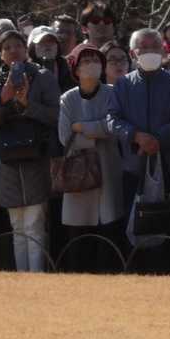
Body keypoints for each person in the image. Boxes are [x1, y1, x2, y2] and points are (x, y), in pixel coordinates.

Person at [0, 29, 59, 273]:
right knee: (17, 225)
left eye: (18, 45)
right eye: (7, 48)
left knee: (35, 222)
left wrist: (27, 105)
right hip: (8, 162)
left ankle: (37, 278)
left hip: (36, 158)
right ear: (0, 54)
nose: (13, 51)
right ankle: (23, 280)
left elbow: (56, 116)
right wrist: (3, 100)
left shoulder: (43, 77)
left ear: (26, 49)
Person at [108, 27, 170, 241]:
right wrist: (136, 136)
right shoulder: (123, 84)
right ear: (132, 53)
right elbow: (112, 119)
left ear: (163, 50)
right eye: (143, 47)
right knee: (135, 226)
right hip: (134, 167)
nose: (149, 51)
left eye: (155, 46)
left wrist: (158, 140)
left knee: (169, 228)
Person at [57, 42, 123, 266]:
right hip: (78, 174)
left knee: (108, 233)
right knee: (79, 238)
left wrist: (82, 127)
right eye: (85, 61)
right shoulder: (67, 99)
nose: (91, 65)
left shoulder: (113, 93)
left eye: (95, 60)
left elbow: (113, 127)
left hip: (107, 169)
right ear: (76, 69)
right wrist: (97, 132)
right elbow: (65, 137)